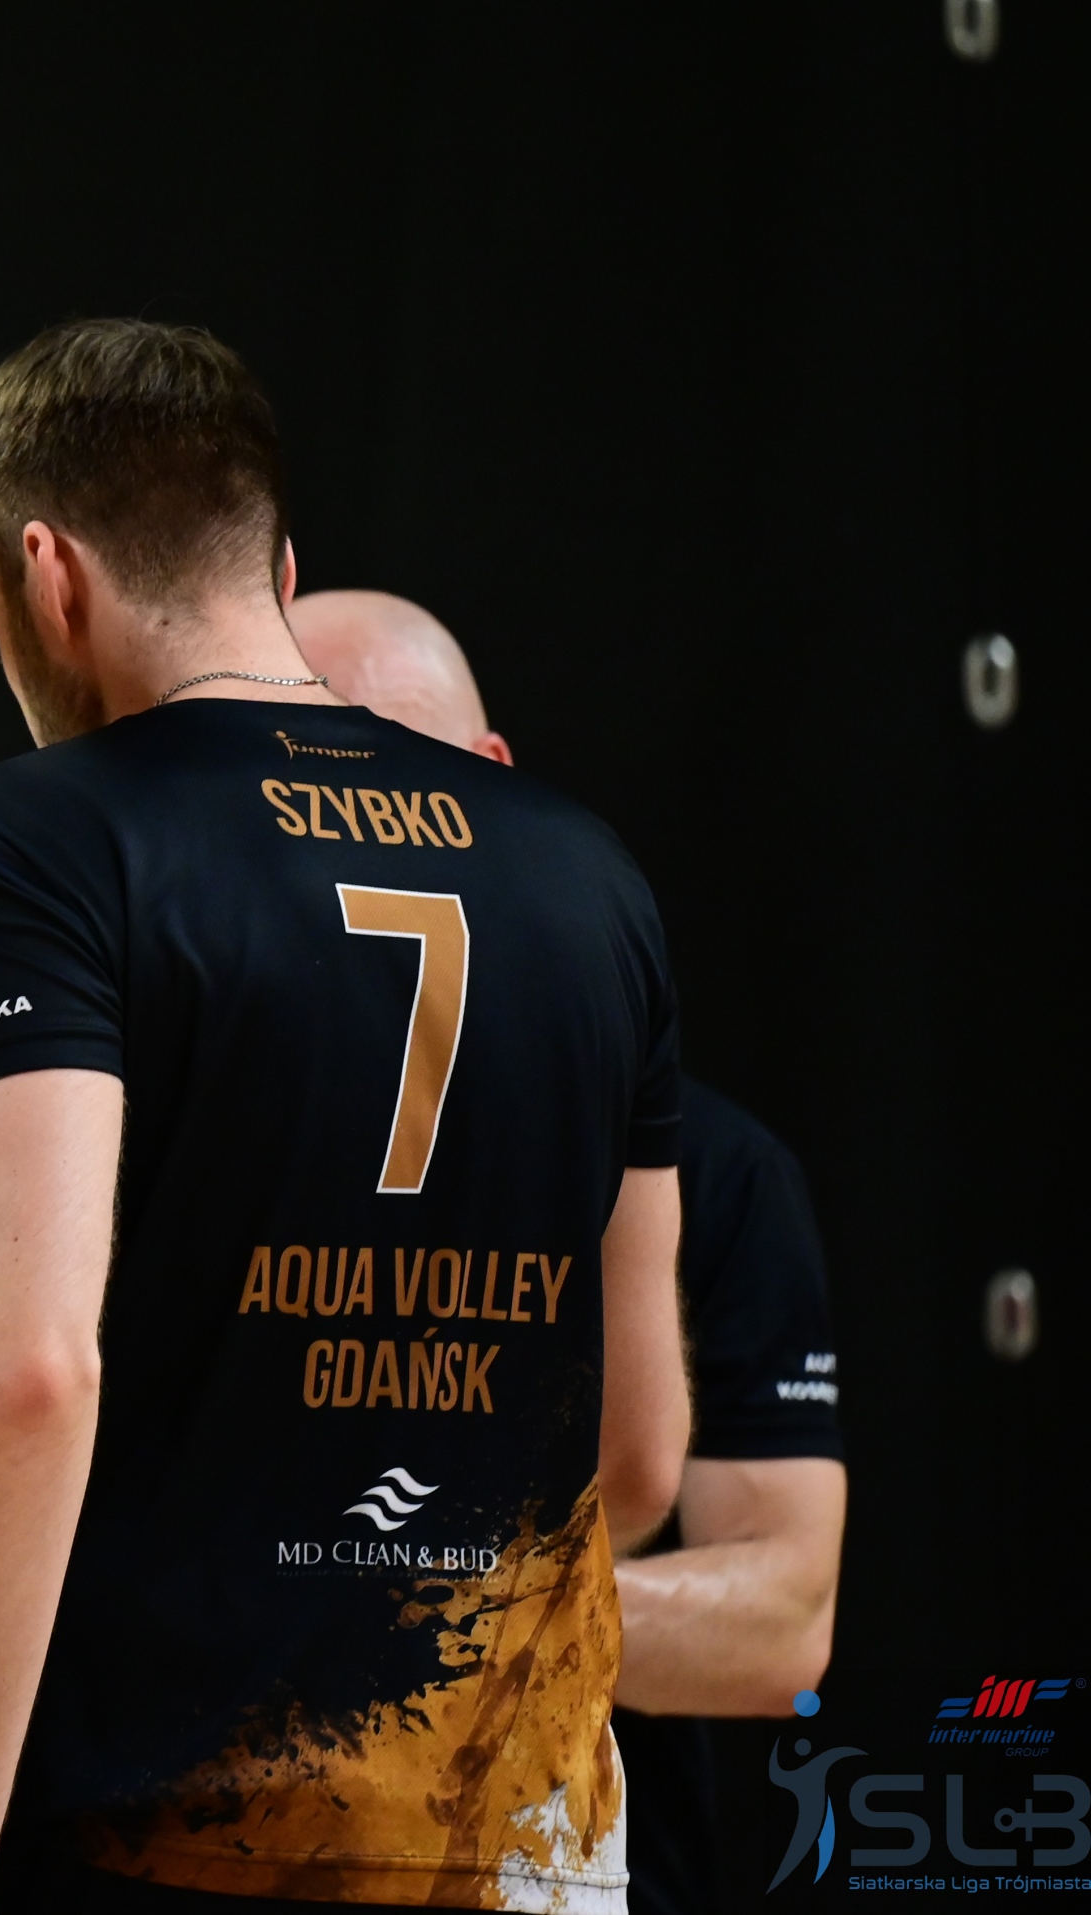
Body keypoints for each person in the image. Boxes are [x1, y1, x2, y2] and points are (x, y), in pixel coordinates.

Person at [0, 319, 690, 1915]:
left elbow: (30, 1367)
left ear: (48, 577)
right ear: (276, 565)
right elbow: (642, 1444)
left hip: (179, 1834)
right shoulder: (589, 870)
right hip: (527, 1840)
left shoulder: (34, 838)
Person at [289, 588, 847, 1915]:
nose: (363, 835)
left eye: (403, 779)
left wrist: (406, 1611)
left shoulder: (714, 1173)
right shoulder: (180, 1147)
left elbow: (785, 1624)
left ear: (494, 787)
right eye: (302, 794)